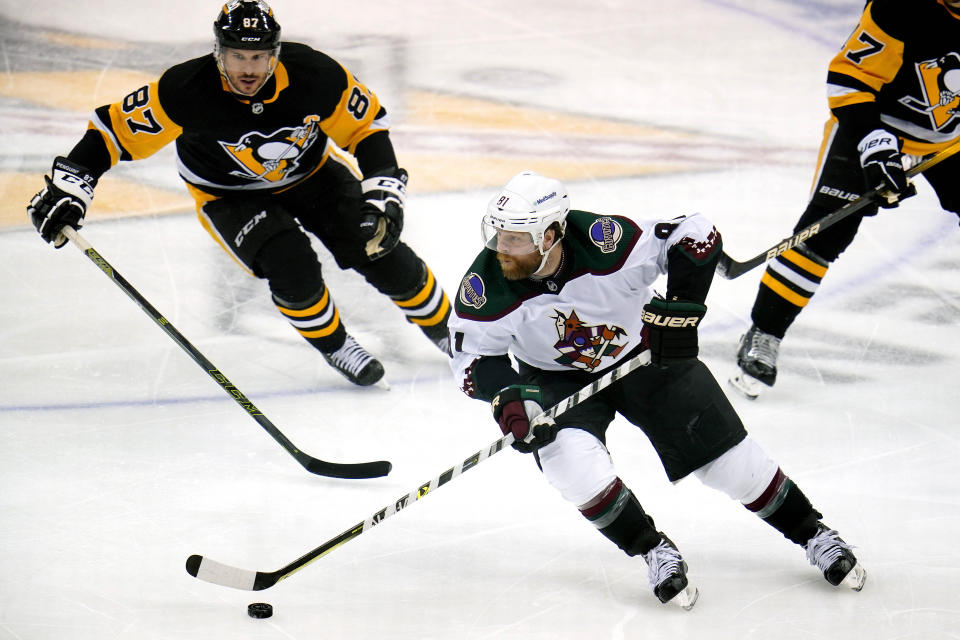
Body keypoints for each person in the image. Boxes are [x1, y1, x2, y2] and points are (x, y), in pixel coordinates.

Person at [447, 171, 867, 609]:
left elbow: (694, 233)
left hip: (644, 354)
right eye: (497, 234)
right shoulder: (485, 287)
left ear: (550, 234)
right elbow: (472, 361)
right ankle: (652, 549)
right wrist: (510, 398)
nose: (500, 248)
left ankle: (814, 534)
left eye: (515, 238)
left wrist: (682, 310)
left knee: (730, 464)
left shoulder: (604, 241)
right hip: (555, 378)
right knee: (569, 466)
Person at [26, 0, 451, 386]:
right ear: (219, 53)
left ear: (275, 54)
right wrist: (71, 185)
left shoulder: (316, 75)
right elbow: (111, 134)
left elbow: (366, 128)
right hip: (229, 196)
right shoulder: (186, 89)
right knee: (292, 265)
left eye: (258, 56)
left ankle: (449, 332)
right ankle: (336, 345)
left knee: (379, 248)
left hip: (314, 176)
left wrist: (382, 188)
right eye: (237, 56)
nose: (247, 69)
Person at [731, 0, 960, 398]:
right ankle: (765, 332)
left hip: (951, 139)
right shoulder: (900, 7)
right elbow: (849, 79)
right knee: (824, 232)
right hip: (877, 125)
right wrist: (875, 144)